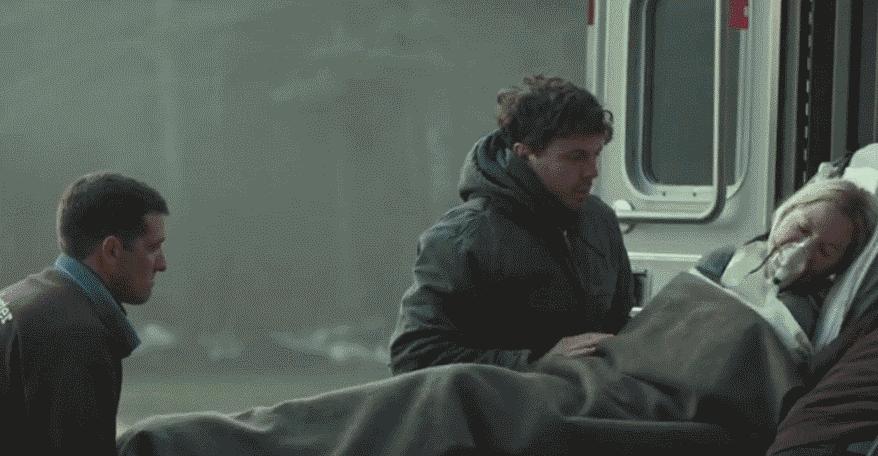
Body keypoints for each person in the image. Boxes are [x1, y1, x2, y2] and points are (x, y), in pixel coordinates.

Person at [116, 177, 877, 456]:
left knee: (456, 404)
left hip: (643, 402)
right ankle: (170, 445)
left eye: (827, 247)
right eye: (802, 226)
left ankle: (171, 448)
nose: (804, 247)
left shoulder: (812, 317)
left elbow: (769, 390)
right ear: (785, 212)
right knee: (438, 394)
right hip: (594, 376)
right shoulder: (724, 264)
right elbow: (656, 329)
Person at [389, 75, 634, 374]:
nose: (592, 171)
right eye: (575, 157)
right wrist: (537, 362)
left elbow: (618, 324)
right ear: (524, 153)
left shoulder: (599, 221)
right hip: (505, 403)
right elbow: (414, 356)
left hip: (590, 397)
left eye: (596, 154)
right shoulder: (464, 238)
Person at [0, 172, 169, 455]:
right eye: (152, 248)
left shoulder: (21, 299)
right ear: (112, 250)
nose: (162, 264)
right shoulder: (73, 334)